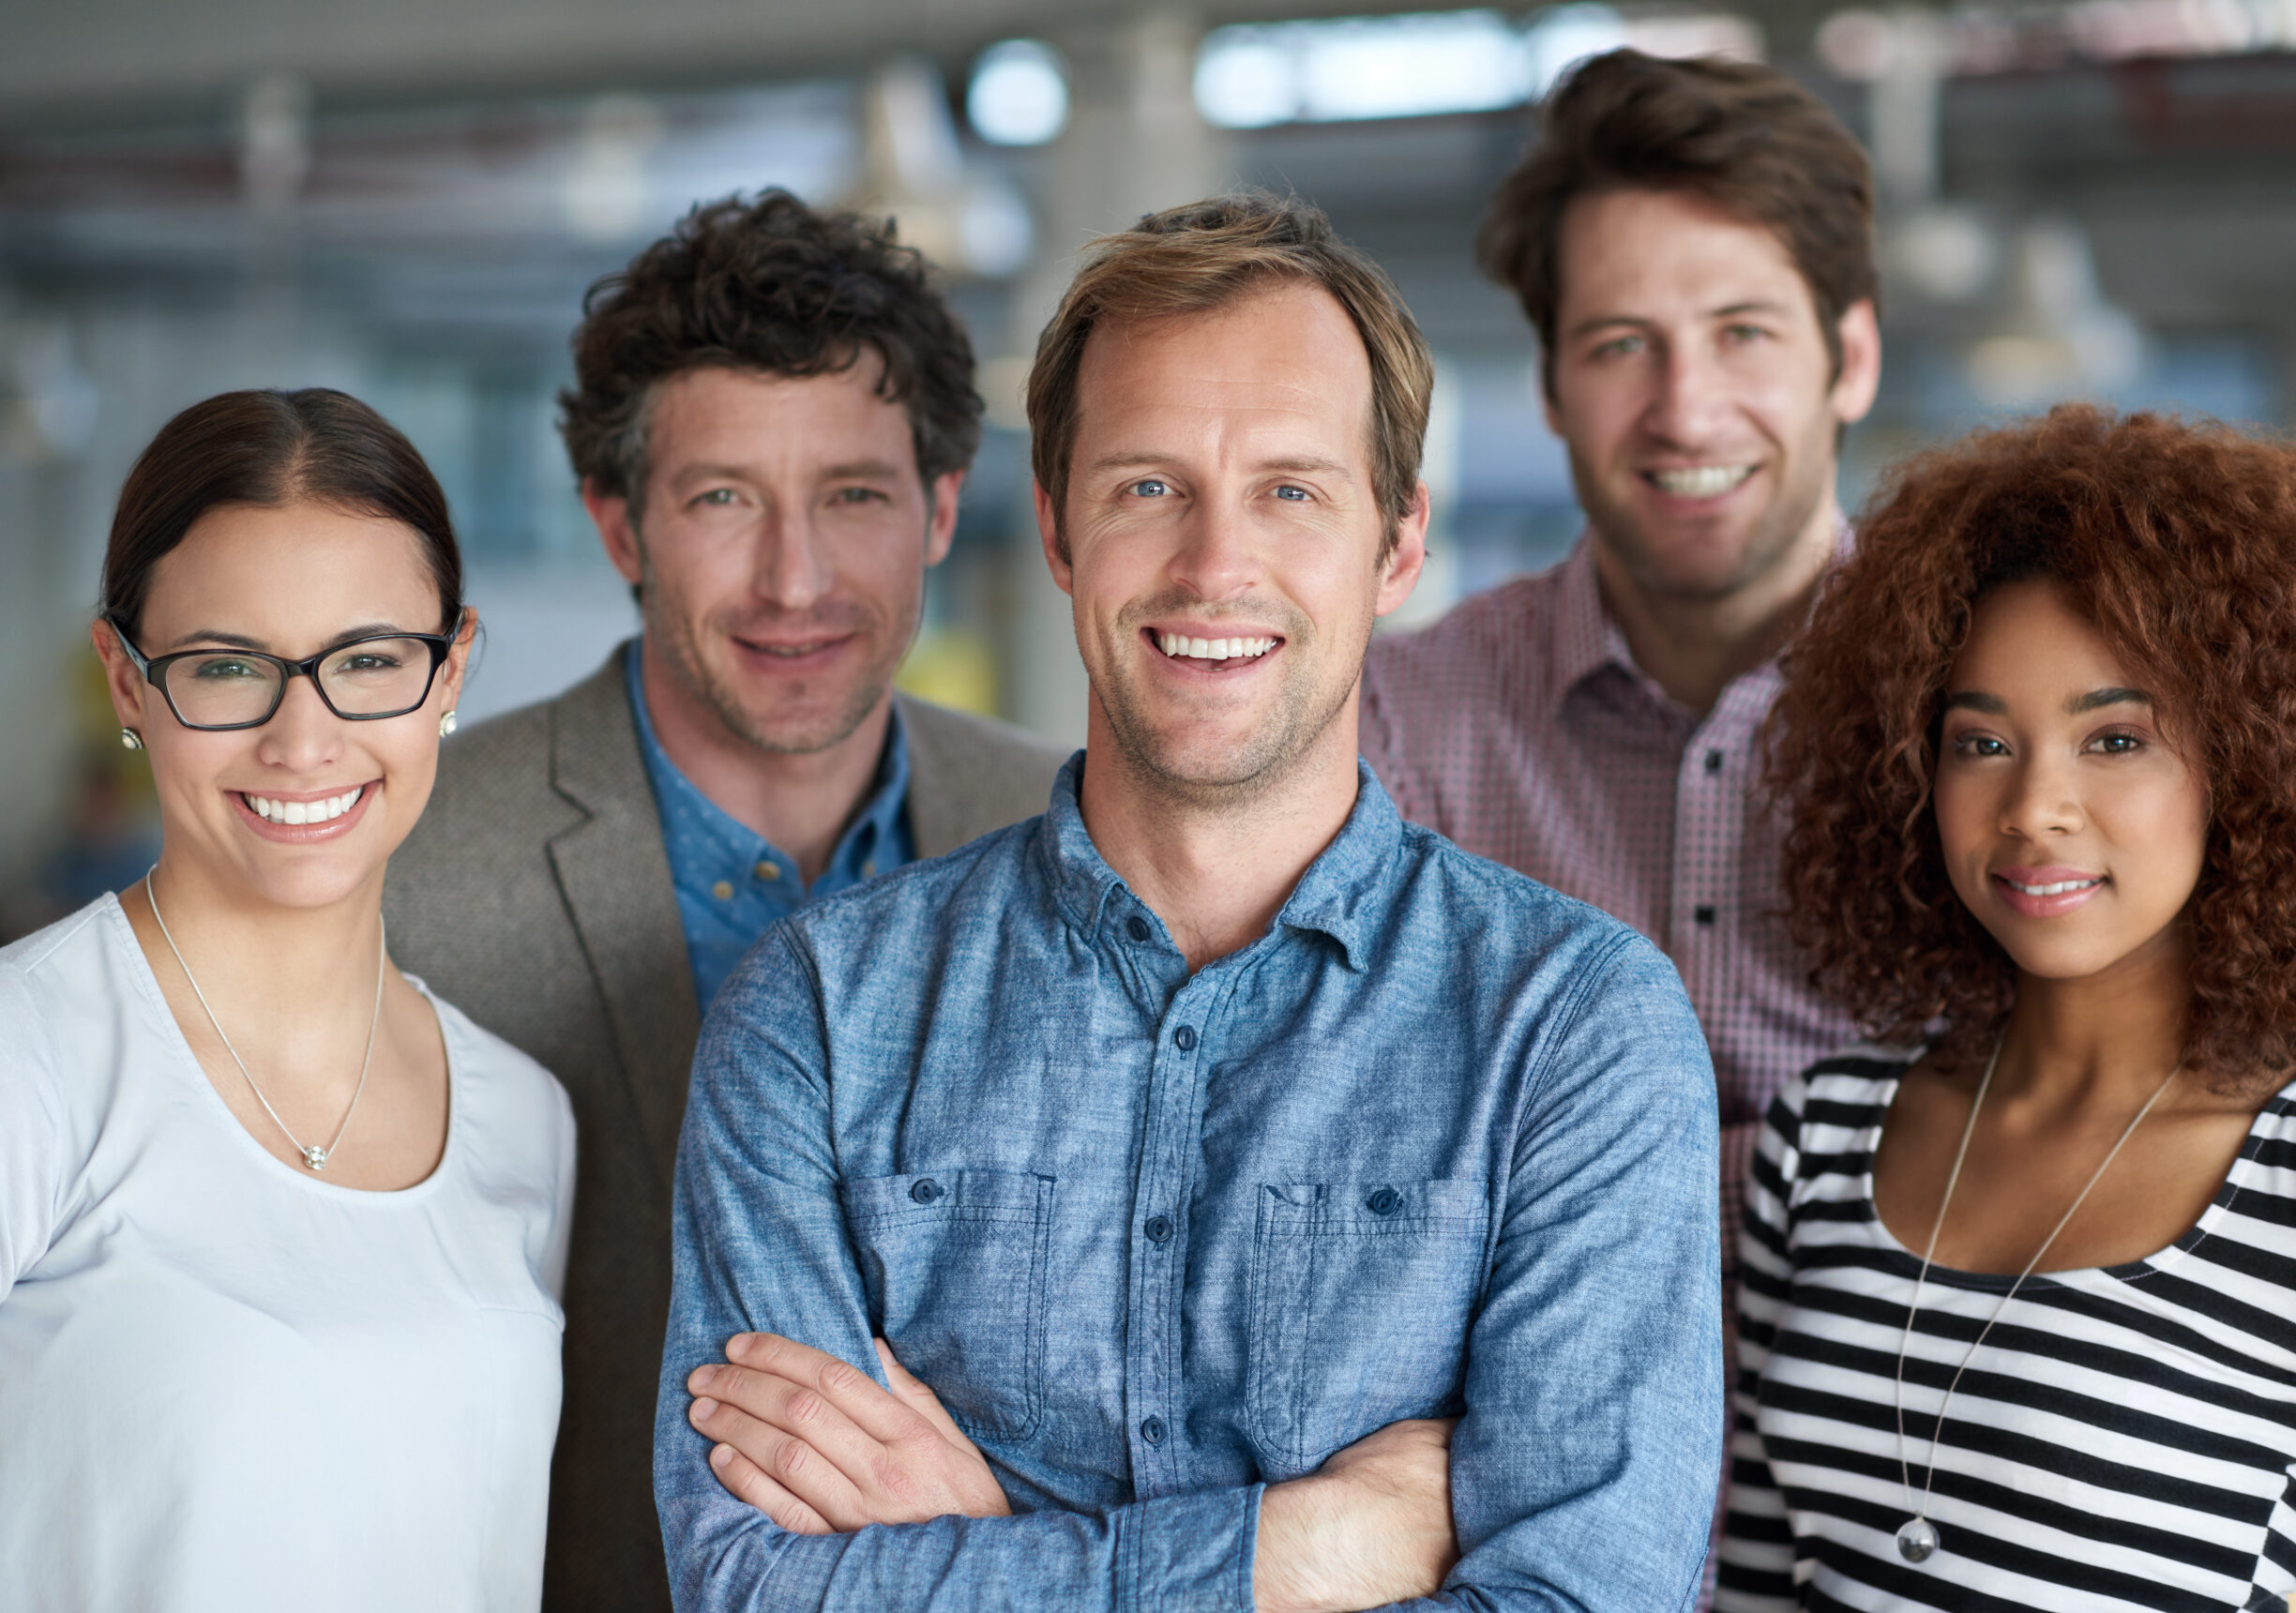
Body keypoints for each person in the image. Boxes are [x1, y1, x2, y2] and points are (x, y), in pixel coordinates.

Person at [652, 193, 1725, 1611]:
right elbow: (751, 1592)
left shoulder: (1575, 1032)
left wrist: (981, 1549)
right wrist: (1303, 1551)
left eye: (1291, 489)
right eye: (1148, 486)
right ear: (1056, 531)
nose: (1215, 566)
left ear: (1397, 545)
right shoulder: (817, 1012)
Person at [382, 192, 1065, 1612]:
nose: (795, 580)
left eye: (853, 496)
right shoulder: (405, 868)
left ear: (941, 509)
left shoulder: (1069, 836)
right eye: (722, 499)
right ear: (618, 524)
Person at [1719, 407, 2296, 1610]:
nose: (2034, 805)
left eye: (2115, 737)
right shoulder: (1823, 1136)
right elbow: (1758, 1577)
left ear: (2250, 763)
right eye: (1980, 741)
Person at [0, 388, 574, 1609]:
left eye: (369, 661)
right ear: (127, 682)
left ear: (451, 669)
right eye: (226, 667)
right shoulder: (32, 1060)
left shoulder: (524, 1115)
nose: (303, 739)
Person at [1357, 50, 1881, 1273]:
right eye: (1619, 346)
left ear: (1848, 358)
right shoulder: (1402, 721)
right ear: (1549, 385)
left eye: (1742, 332)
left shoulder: (1993, 717)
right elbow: (1361, 1155)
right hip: (1501, 1448)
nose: (1685, 411)